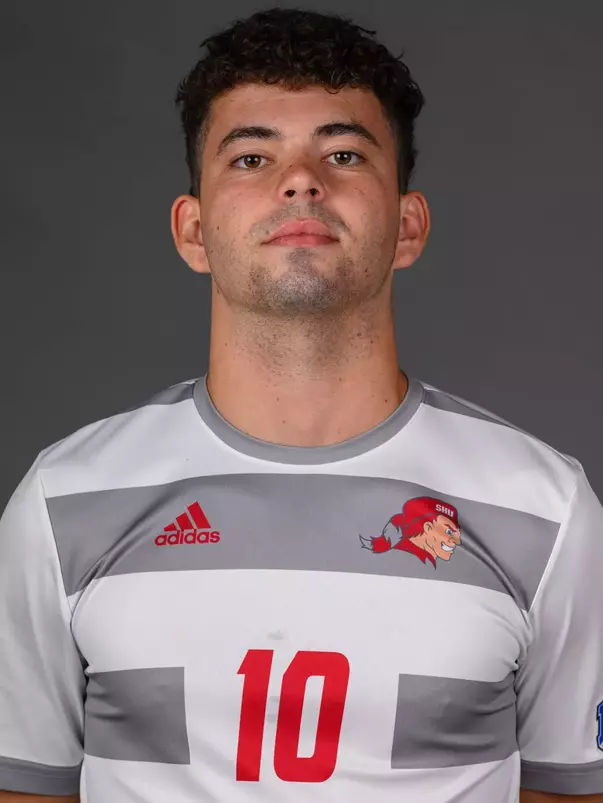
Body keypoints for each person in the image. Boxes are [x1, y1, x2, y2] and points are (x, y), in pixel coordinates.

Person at [0, 7, 601, 803]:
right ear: (193, 231)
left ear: (407, 225)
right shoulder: (64, 501)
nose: (299, 181)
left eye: (342, 153)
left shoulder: (546, 509)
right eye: (251, 157)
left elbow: (572, 790)